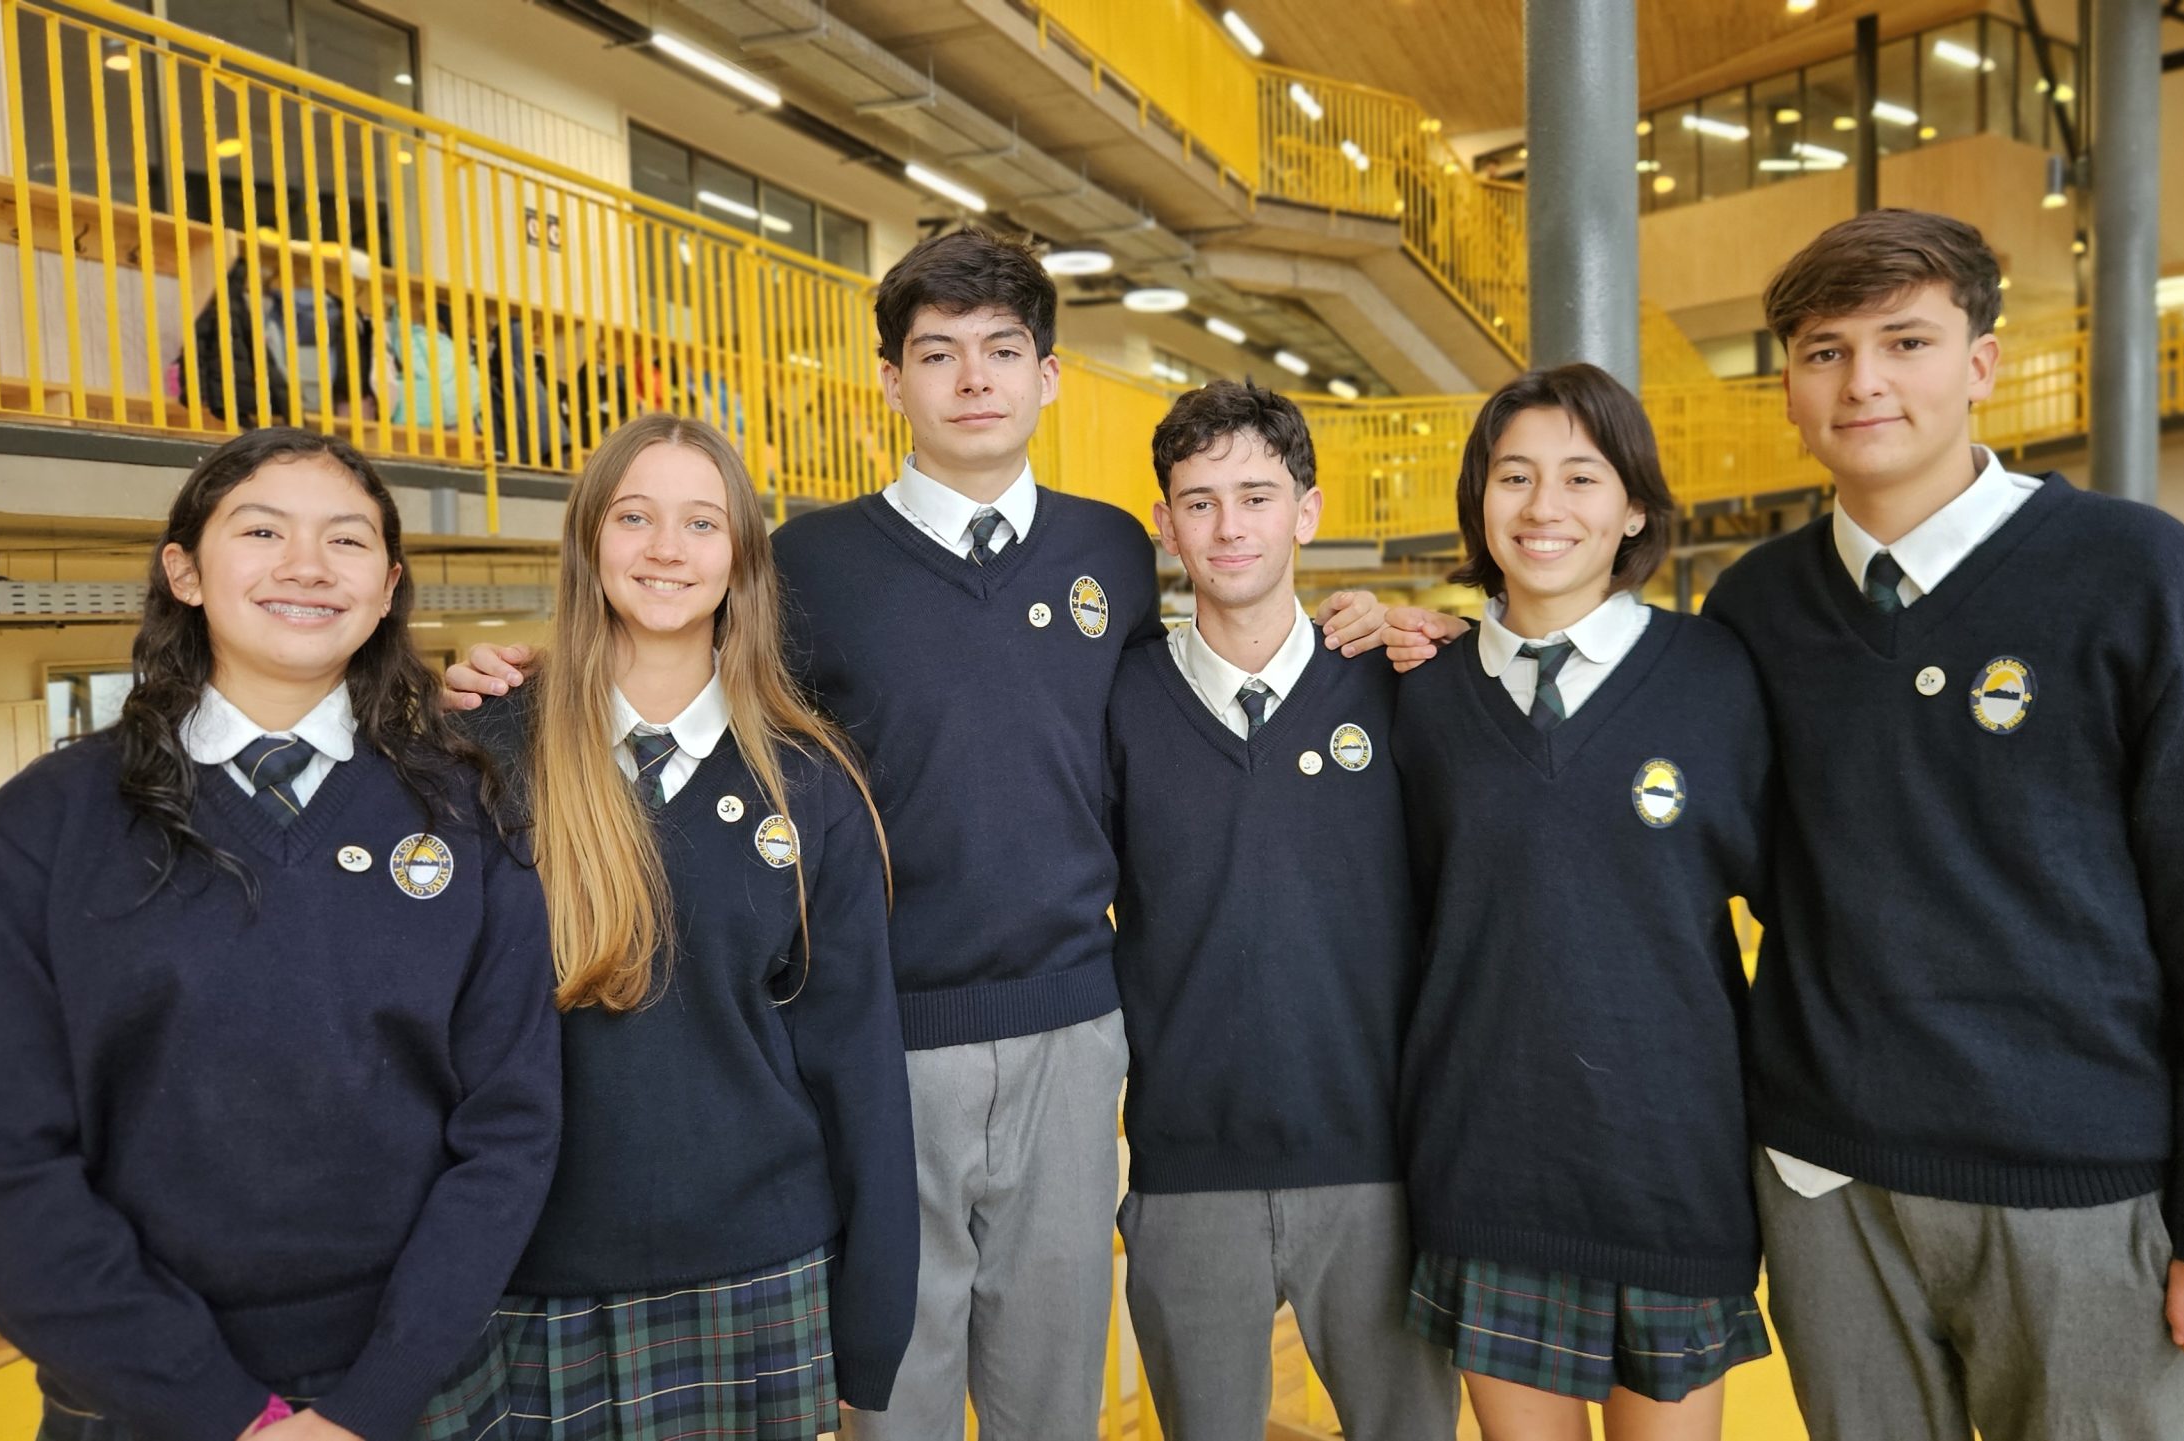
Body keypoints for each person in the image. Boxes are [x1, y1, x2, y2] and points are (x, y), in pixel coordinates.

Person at [444, 228, 1162, 1438]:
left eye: (1002, 350)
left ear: (1047, 375)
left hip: (1072, 1023)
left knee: (1053, 1394)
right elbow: (680, 668)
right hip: (879, 1026)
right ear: (890, 380)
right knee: (894, 1386)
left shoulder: (1112, 551)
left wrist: (1381, 625)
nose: (972, 378)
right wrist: (522, 677)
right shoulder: (810, 560)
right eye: (936, 353)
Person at [1698, 208, 2184, 1440]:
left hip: (2080, 1188)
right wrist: (1443, 655)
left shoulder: (2139, 575)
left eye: (1905, 342)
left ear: (1979, 364)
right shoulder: (1752, 609)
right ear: (1789, 391)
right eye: (1824, 352)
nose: (1863, 382)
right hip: (1829, 1185)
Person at [0, 427, 560, 1441]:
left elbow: (510, 1131)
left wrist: (368, 1402)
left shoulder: (466, 813)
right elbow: (4, 1170)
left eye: (346, 539)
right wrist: (233, 1416)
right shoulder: (46, 824)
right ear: (184, 571)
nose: (306, 565)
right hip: (141, 1398)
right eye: (262, 530)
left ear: (388, 586)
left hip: (415, 1384)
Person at [457, 414, 916, 1440]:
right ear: (587, 538)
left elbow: (859, 1070)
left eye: (702, 522)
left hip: (759, 1270)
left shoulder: (810, 780)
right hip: (526, 1278)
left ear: (743, 556)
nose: (667, 548)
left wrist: (874, 1320)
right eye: (635, 517)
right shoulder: (482, 753)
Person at [1389, 365, 1773, 1441]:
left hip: (1670, 1170)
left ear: (1635, 506)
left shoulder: (1716, 676)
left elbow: (1803, 910)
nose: (1543, 506)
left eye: (1581, 476)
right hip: (1487, 1167)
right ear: (1479, 502)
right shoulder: (1420, 696)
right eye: (1513, 476)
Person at [1106, 380, 1460, 1441]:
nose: (1229, 527)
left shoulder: (1401, 682)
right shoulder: (1118, 699)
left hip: (1380, 1169)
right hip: (1187, 1171)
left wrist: (1460, 627)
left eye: (1257, 496)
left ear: (1307, 513)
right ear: (1165, 524)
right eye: (1199, 501)